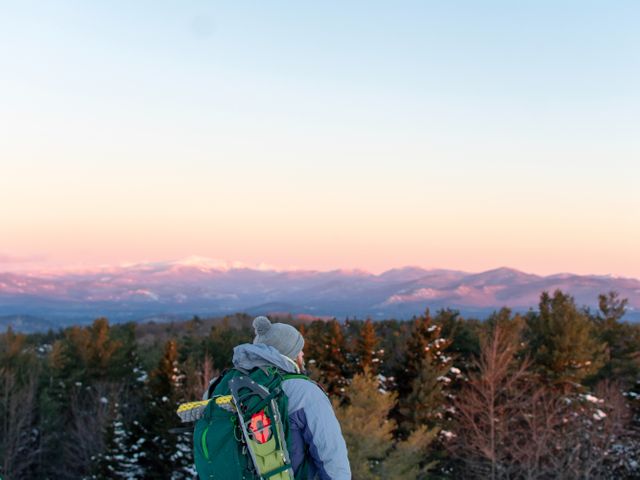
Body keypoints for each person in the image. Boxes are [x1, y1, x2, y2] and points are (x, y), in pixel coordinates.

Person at [229, 315, 351, 480]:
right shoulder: (304, 391)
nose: (302, 353)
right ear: (288, 354)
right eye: (299, 349)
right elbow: (331, 454)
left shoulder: (234, 384)